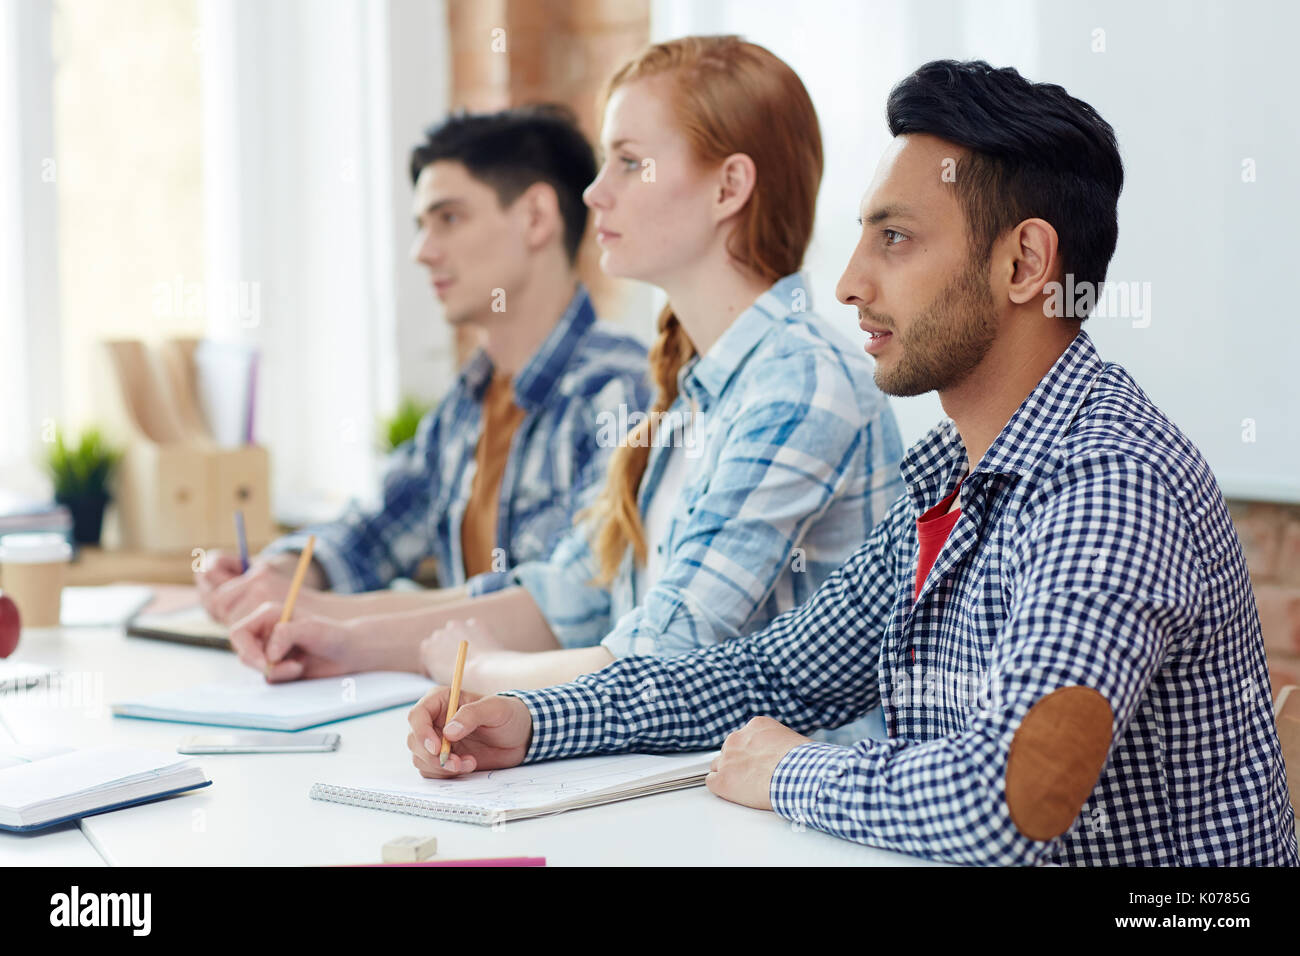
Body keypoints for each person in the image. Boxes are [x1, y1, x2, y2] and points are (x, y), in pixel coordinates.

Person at [403, 59, 1300, 867]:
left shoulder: (1112, 484)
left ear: (1026, 262)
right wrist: (529, 725)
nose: (848, 283)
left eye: (896, 240)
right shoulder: (954, 474)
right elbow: (773, 673)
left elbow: (1004, 800)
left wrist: (794, 771)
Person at [226, 38, 904, 743]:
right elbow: (567, 599)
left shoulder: (801, 381)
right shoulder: (687, 387)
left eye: (630, 161)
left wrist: (491, 675)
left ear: (728, 189)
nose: (594, 192)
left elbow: (662, 656)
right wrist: (341, 643)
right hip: (683, 789)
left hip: (789, 818)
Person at [195, 105, 651, 626]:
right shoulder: (467, 403)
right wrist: (281, 572)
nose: (422, 251)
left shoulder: (619, 392)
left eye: (449, 218)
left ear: (536, 219)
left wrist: (325, 613)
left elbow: (573, 604)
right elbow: (375, 529)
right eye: (421, 225)